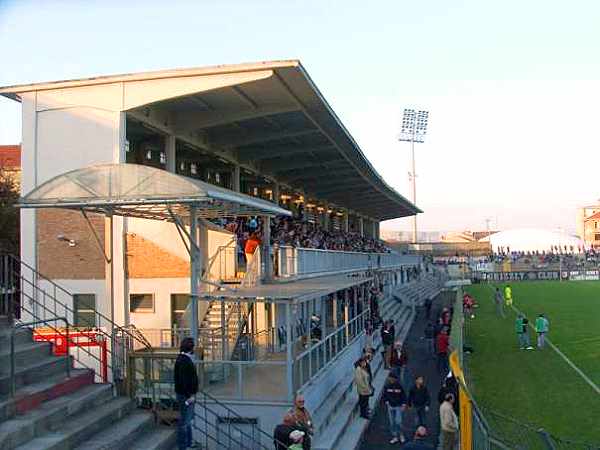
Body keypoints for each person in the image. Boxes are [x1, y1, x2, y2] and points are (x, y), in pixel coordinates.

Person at [174, 337, 199, 450]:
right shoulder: (185, 361)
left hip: (184, 395)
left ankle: (188, 443)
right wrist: (190, 396)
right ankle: (184, 445)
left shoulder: (181, 359)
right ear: (191, 348)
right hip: (186, 396)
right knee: (185, 421)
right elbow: (184, 381)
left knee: (187, 420)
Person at [382, 373, 407, 444]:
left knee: (398, 422)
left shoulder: (399, 386)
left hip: (398, 406)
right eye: (390, 378)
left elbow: (403, 395)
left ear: (395, 379)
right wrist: (386, 401)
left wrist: (404, 404)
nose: (391, 379)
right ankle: (395, 436)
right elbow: (385, 395)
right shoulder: (387, 386)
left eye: (392, 378)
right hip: (390, 406)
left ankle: (401, 434)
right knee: (392, 422)